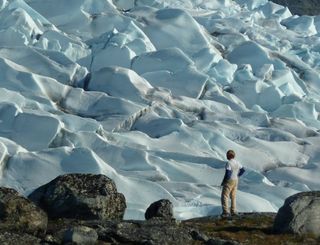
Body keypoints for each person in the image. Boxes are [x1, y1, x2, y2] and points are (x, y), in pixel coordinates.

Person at [220, 150, 245, 217]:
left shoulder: (229, 163)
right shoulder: (237, 162)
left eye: (227, 154)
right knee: (233, 196)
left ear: (229, 155)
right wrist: (237, 175)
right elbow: (243, 170)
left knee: (225, 196)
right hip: (236, 180)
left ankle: (225, 212)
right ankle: (233, 211)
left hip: (229, 180)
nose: (226, 156)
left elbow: (228, 173)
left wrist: (224, 181)